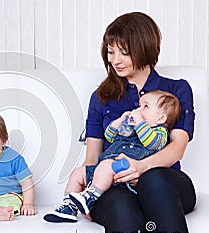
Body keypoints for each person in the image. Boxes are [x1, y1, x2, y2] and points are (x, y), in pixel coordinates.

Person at [44, 12, 196, 233]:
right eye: (110, 51)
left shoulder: (176, 90)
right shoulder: (100, 98)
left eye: (124, 52)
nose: (116, 60)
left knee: (153, 178)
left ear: (145, 47)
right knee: (121, 207)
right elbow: (93, 157)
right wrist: (88, 186)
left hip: (167, 184)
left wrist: (141, 167)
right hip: (114, 185)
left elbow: (177, 148)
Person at [68, 90, 180, 218]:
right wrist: (118, 122)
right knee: (78, 172)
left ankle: (90, 197)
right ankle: (68, 206)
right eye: (139, 105)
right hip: (104, 167)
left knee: (106, 166)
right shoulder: (132, 129)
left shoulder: (160, 133)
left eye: (146, 107)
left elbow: (151, 142)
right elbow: (110, 137)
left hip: (125, 168)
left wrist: (139, 122)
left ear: (161, 118)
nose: (138, 109)